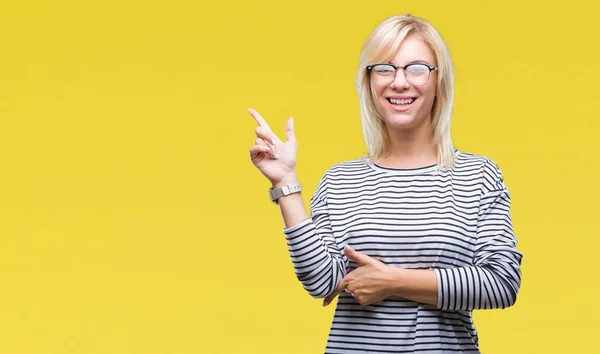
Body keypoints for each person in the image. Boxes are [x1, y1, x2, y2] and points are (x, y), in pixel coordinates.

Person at [247, 14, 522, 354]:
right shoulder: (340, 180)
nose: (400, 82)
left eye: (417, 68)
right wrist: (286, 181)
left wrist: (391, 281)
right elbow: (322, 281)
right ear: (369, 81)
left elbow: (501, 283)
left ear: (439, 82)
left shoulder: (477, 175)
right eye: (385, 68)